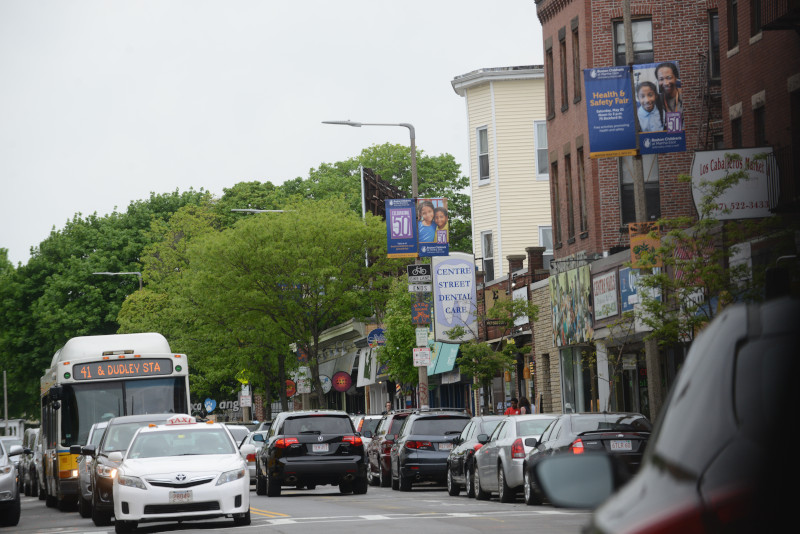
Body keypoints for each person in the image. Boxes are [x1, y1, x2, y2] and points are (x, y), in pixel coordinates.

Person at [656, 62, 683, 130]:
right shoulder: (657, 101)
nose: (665, 83)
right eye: (661, 79)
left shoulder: (684, 97)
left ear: (676, 78)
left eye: (669, 78)